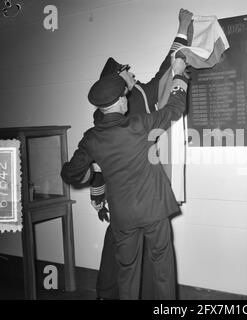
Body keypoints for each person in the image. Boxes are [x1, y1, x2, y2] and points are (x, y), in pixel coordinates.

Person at [61, 57, 189, 300]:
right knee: (162, 269)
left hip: (123, 217)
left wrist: (91, 172)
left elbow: (70, 173)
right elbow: (174, 110)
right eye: (124, 97)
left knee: (127, 273)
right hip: (153, 210)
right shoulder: (139, 125)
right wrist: (180, 76)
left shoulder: (91, 138)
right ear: (121, 100)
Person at [89, 8, 193, 300]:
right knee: (125, 261)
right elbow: (98, 166)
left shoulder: (140, 94)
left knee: (131, 262)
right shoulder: (116, 114)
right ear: (116, 83)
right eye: (125, 71)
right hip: (135, 201)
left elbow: (168, 65)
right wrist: (98, 197)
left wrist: (182, 28)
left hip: (132, 202)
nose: (131, 71)